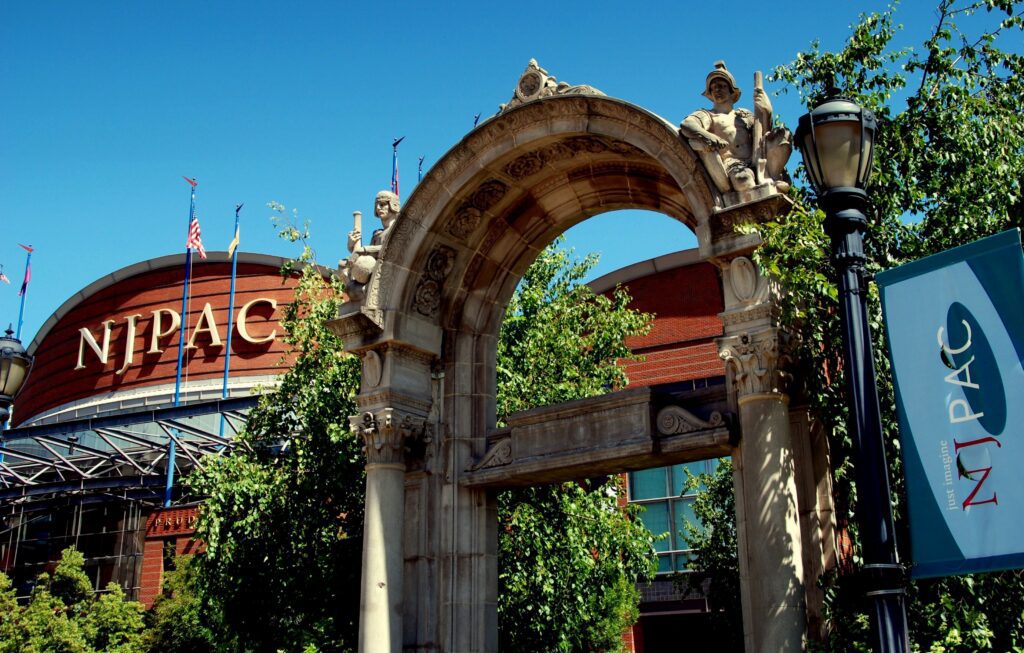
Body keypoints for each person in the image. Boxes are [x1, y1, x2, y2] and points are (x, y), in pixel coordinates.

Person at [680, 61, 791, 194]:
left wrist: (767, 112)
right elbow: (688, 125)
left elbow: (763, 136)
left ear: (732, 91)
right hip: (733, 166)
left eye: (721, 86)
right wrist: (708, 136)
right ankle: (765, 185)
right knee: (744, 179)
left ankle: (770, 176)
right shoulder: (708, 115)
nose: (717, 90)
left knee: (784, 136)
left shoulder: (743, 114)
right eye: (713, 87)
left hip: (756, 160)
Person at [342, 190, 400, 301]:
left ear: (393, 205)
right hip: (369, 273)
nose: (378, 208)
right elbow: (363, 256)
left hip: (386, 273)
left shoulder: (397, 229)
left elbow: (389, 247)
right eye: (377, 205)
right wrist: (351, 245)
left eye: (382, 204)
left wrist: (362, 250)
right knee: (342, 265)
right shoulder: (377, 234)